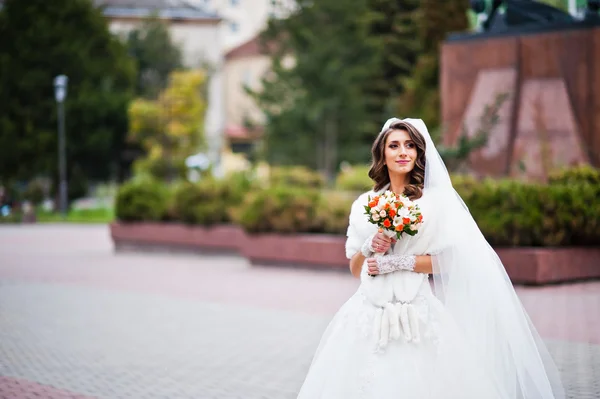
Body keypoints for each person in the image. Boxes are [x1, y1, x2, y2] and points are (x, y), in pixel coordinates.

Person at [296, 118, 565, 399]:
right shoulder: (364, 204)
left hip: (417, 312)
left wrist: (398, 262)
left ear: (419, 153)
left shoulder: (435, 202)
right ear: (382, 153)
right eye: (394, 145)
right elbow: (355, 269)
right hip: (367, 313)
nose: (403, 152)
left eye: (410, 145)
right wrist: (368, 246)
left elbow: (449, 262)